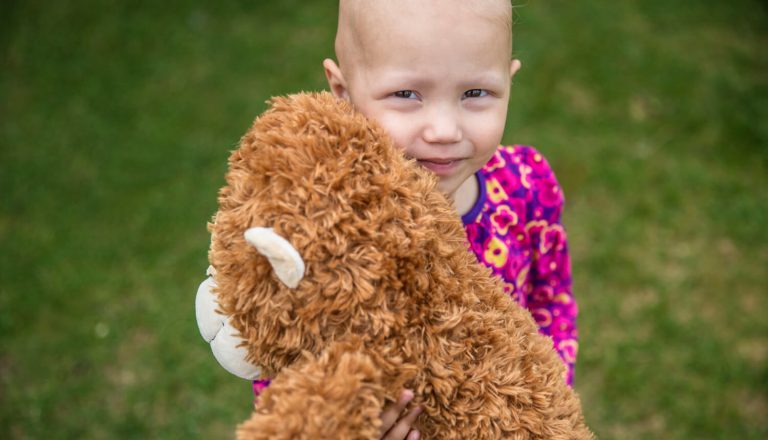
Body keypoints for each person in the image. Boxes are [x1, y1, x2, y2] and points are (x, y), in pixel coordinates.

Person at [198, 1, 578, 439]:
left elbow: (553, 302)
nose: (444, 129)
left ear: (509, 82)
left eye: (475, 93)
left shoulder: (528, 184)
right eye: (407, 94)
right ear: (343, 91)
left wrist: (541, 395)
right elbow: (283, 349)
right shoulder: (328, 227)